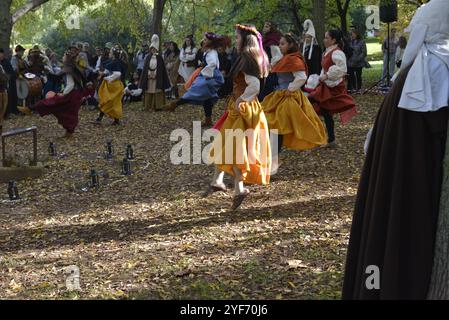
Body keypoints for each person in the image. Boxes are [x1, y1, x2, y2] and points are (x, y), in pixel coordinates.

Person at [342, 0, 449, 299]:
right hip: (413, 170)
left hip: (403, 165)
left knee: (387, 227)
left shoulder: (415, 68)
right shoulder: (436, 67)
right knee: (404, 232)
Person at [207, 24, 271, 210]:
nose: (235, 41)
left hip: (244, 110)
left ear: (245, 40)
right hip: (241, 107)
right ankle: (219, 180)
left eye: (237, 37)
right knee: (226, 143)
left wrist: (241, 100)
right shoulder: (250, 57)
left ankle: (239, 188)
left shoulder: (247, 58)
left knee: (235, 148)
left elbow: (254, 87)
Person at [262, 34, 327, 173]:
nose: (280, 46)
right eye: (279, 43)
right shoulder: (284, 59)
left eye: (283, 43)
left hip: (288, 98)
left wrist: (290, 89)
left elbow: (301, 77)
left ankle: (272, 164)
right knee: (273, 128)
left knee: (276, 129)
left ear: (291, 45)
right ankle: (271, 162)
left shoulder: (294, 60)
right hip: (278, 96)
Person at [18, 51, 92, 138]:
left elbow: (71, 84)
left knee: (51, 103)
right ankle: (69, 132)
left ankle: (30, 109)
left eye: (64, 55)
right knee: (66, 112)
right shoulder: (72, 67)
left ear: (67, 59)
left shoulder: (68, 69)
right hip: (75, 95)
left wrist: (63, 94)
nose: (63, 57)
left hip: (71, 95)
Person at [308, 29, 357, 148]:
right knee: (325, 112)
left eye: (326, 37)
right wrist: (320, 77)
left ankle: (310, 135)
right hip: (325, 85)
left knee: (309, 102)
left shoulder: (337, 53)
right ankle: (331, 140)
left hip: (332, 87)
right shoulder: (327, 52)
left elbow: (342, 69)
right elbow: (324, 68)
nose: (324, 40)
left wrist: (327, 75)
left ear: (333, 40)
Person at [165, 32, 226, 127]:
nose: (203, 41)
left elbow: (213, 64)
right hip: (209, 76)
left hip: (209, 77)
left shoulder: (212, 53)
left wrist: (205, 72)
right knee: (207, 99)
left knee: (194, 91)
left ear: (210, 41)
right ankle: (208, 120)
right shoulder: (209, 51)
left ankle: (175, 104)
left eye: (205, 39)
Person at [137, 34, 171, 111]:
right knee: (149, 90)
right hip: (149, 77)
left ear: (156, 49)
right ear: (150, 49)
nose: (153, 50)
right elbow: (146, 68)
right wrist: (149, 74)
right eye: (152, 49)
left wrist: (155, 74)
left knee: (156, 90)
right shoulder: (148, 57)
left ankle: (156, 106)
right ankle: (148, 105)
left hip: (156, 77)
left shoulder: (159, 58)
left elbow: (161, 69)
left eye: (154, 49)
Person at [96, 46, 126, 125]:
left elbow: (118, 73)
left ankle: (100, 118)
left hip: (114, 85)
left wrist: (108, 78)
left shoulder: (116, 62)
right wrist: (102, 74)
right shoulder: (113, 61)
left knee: (108, 101)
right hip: (113, 85)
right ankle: (116, 120)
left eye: (110, 53)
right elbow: (108, 70)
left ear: (113, 55)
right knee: (113, 102)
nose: (109, 54)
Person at [259, 21, 283, 101]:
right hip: (265, 68)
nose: (264, 28)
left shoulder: (272, 41)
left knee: (268, 88)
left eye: (267, 27)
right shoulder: (266, 39)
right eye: (264, 26)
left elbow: (278, 56)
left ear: (271, 28)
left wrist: (271, 64)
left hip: (271, 70)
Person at [347, 28, 368, 93]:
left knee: (358, 76)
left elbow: (364, 52)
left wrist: (358, 59)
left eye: (353, 34)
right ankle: (352, 88)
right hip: (350, 62)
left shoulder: (362, 41)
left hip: (359, 62)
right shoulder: (350, 41)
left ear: (356, 34)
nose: (352, 35)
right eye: (351, 34)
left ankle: (359, 88)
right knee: (351, 75)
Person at [0, 48, 18, 117]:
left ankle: (7, 113)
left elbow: (11, 73)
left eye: (1, 54)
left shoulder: (6, 62)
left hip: (5, 83)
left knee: (7, 95)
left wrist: (7, 77)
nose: (1, 56)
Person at [0, 62, 8, 133]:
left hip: (2, 90)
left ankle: (0, 129)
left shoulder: (0, 66)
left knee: (1, 112)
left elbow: (4, 77)